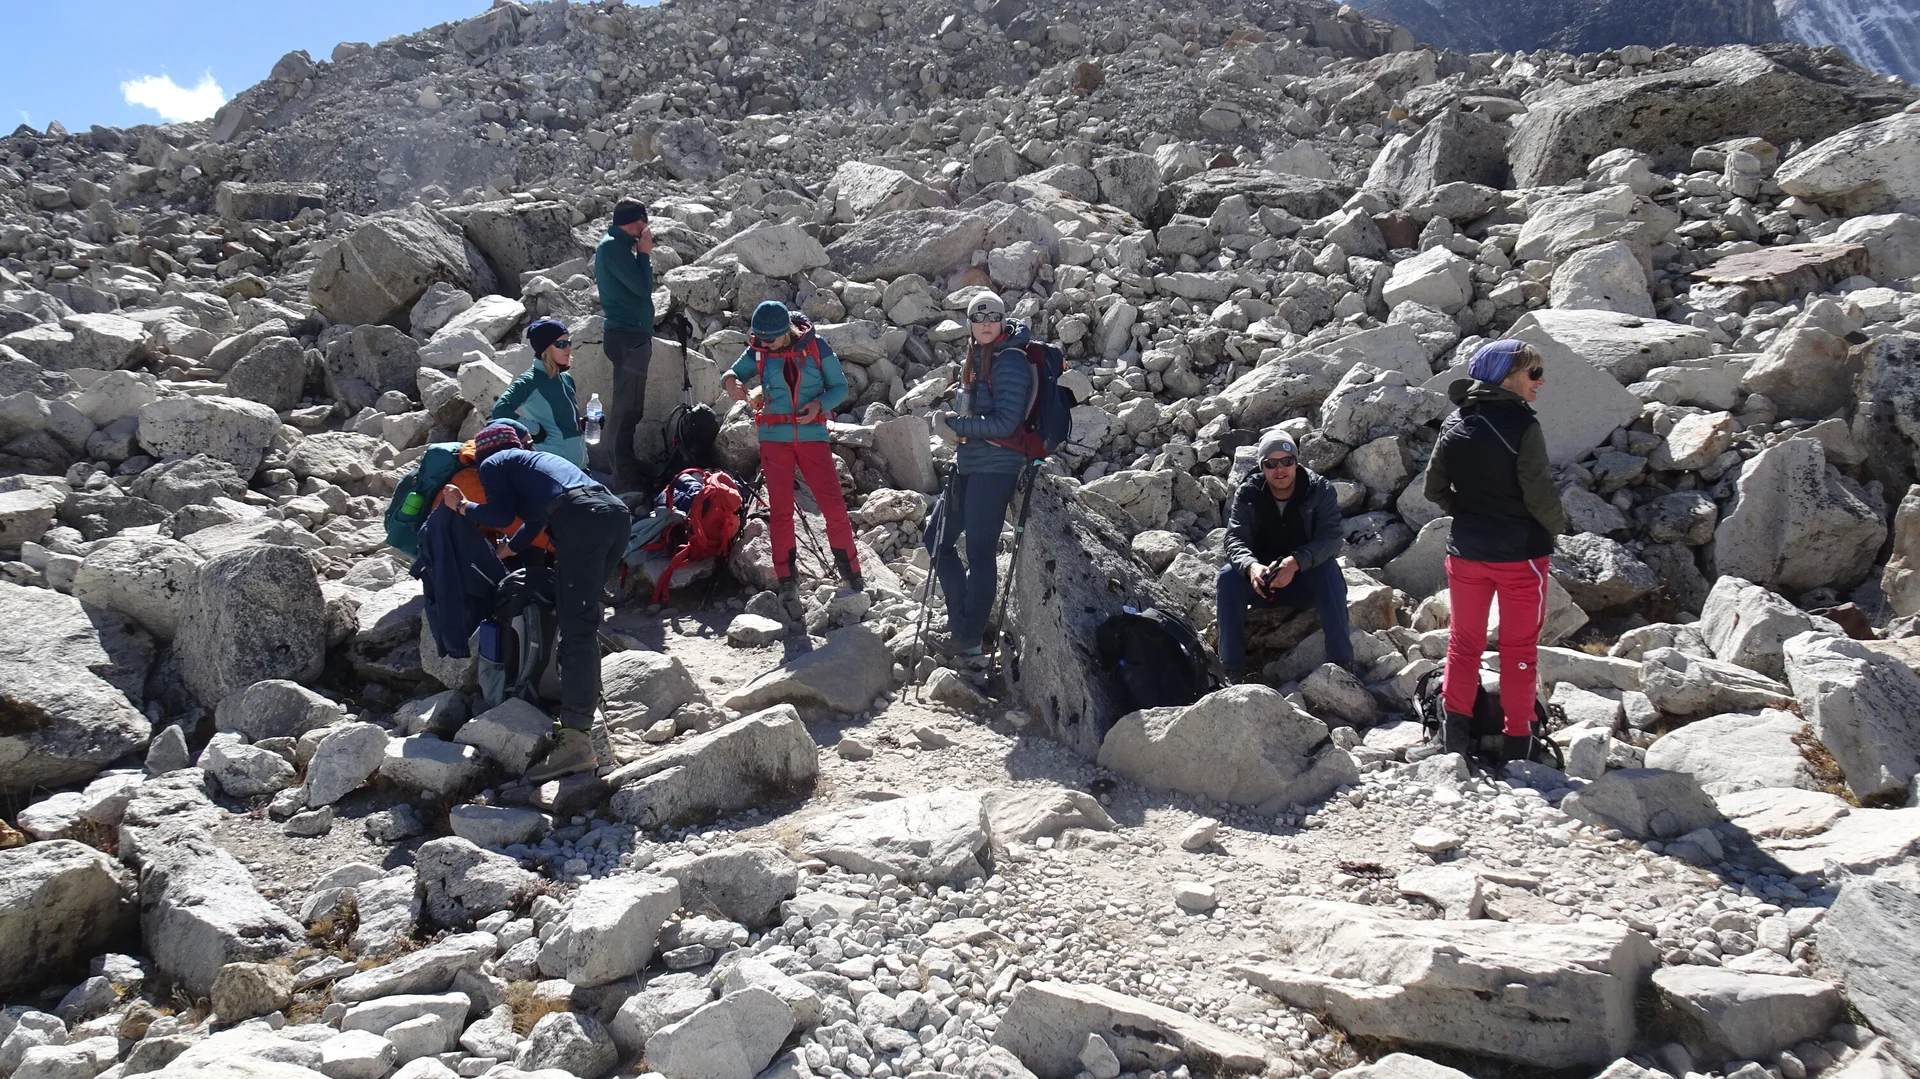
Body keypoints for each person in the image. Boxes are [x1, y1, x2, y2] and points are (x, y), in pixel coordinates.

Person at [438, 422, 629, 780]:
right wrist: (507, 549)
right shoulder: (537, 464)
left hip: (581, 519)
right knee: (579, 617)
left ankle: (575, 741)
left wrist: (462, 505)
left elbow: (498, 516)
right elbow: (531, 524)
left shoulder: (494, 463)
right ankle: (584, 705)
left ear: (484, 454)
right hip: (613, 513)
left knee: (577, 628)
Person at [1424, 339, 1568, 763]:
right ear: (1507, 379)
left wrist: (1464, 511)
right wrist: (1556, 528)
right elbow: (1539, 494)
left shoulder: (1455, 423)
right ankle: (1518, 747)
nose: (1540, 382)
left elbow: (1434, 488)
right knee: (1519, 650)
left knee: (1463, 645)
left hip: (1466, 552)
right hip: (1521, 556)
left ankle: (1453, 743)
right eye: (1534, 374)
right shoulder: (1524, 426)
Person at [722, 300, 861, 619]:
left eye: (768, 340)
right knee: (781, 511)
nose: (762, 345)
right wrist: (732, 382)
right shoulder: (759, 349)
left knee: (834, 507)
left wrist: (819, 405)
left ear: (785, 332)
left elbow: (839, 387)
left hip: (812, 435)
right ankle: (787, 582)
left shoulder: (816, 346)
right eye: (758, 339)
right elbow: (732, 372)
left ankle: (852, 574)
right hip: (774, 438)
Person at [926, 293, 1032, 658]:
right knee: (935, 539)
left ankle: (968, 638)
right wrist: (956, 426)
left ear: (1003, 321)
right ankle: (963, 624)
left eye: (995, 317)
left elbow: (1006, 421)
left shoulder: (1011, 362)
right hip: (969, 463)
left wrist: (954, 424)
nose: (987, 322)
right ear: (969, 323)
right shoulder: (976, 357)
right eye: (979, 317)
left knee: (980, 552)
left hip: (997, 466)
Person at [1215, 428, 1353, 681]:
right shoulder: (1249, 493)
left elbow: (1331, 538)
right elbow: (1234, 538)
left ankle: (1342, 663)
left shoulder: (1319, 489)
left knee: (1330, 571)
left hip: (1305, 578)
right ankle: (1232, 670)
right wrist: (1251, 567)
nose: (1280, 469)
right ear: (1262, 466)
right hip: (1262, 583)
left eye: (1287, 461)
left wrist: (1296, 562)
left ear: (1296, 462)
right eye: (1271, 463)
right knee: (1227, 577)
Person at [594, 199, 655, 494]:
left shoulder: (617, 247)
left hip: (633, 337)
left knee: (632, 410)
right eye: (642, 227)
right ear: (633, 224)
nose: (644, 232)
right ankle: (624, 483)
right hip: (627, 338)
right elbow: (642, 289)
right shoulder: (612, 249)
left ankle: (628, 474)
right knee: (624, 412)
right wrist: (644, 255)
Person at [490, 318, 586, 468]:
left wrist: (583, 423)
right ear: (545, 349)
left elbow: (557, 421)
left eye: (569, 342)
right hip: (553, 467)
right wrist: (534, 429)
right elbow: (500, 411)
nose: (568, 349)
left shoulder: (566, 379)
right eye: (561, 344)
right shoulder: (530, 380)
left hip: (579, 465)